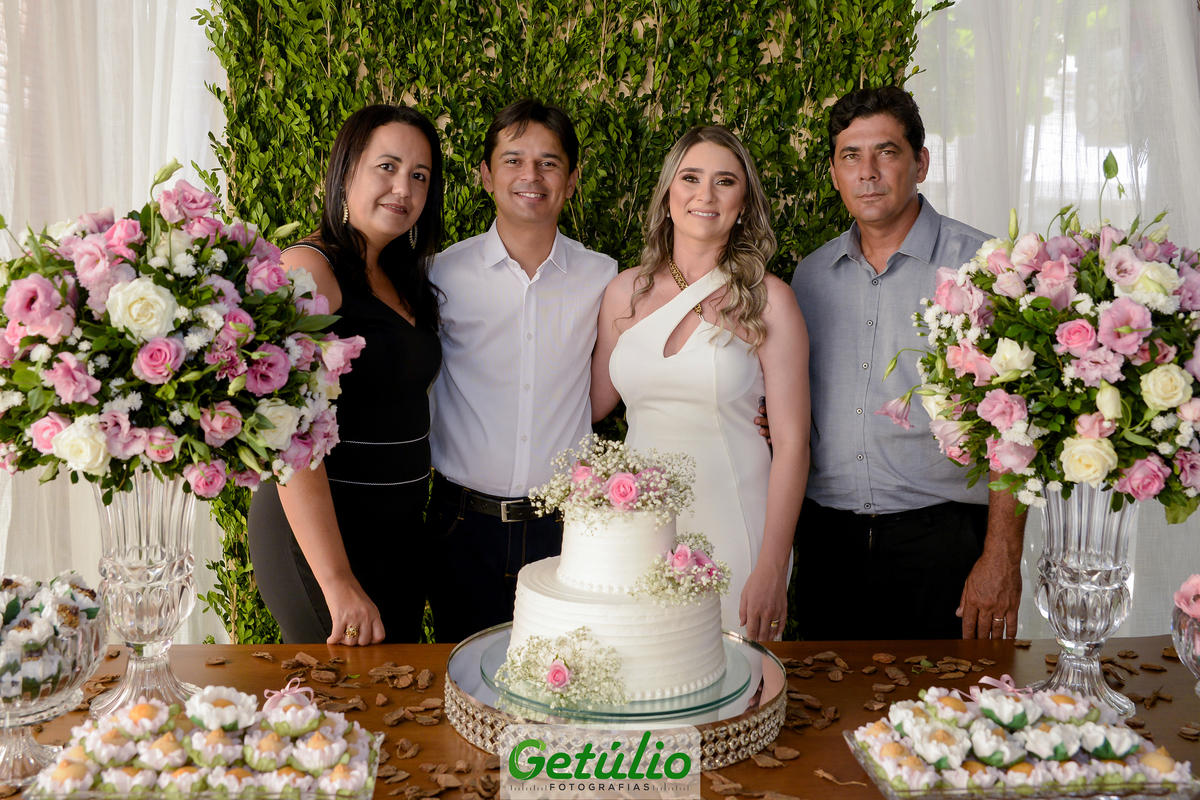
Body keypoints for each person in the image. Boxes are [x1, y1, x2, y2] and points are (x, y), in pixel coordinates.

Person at [790, 86, 1026, 641]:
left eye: (887, 152)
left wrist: (1001, 556)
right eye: (851, 156)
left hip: (945, 546)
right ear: (834, 173)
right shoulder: (810, 277)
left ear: (921, 162)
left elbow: (1018, 423)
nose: (867, 172)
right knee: (829, 697)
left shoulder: (984, 268)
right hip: (828, 548)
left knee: (949, 698)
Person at [590, 125, 810, 642]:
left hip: (735, 522)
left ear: (744, 203)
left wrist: (772, 565)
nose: (705, 195)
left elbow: (793, 444)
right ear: (668, 194)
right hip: (640, 526)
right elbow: (592, 405)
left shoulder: (770, 301)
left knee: (734, 676)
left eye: (725, 181)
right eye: (691, 178)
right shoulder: (623, 292)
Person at [248, 104, 444, 645]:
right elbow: (284, 432)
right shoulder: (309, 269)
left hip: (397, 536)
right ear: (346, 170)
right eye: (387, 167)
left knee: (392, 690)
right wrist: (336, 581)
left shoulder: (402, 277)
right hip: (323, 538)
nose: (403, 188)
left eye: (419, 176)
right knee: (344, 691)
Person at [426, 99, 617, 643]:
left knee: (567, 675)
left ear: (571, 180)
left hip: (567, 527)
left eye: (548, 163)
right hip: (462, 523)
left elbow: (614, 382)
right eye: (513, 160)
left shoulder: (603, 276)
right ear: (486, 176)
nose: (531, 176)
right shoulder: (441, 275)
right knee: (465, 673)